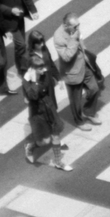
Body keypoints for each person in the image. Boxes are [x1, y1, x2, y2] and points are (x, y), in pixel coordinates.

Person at [21, 32, 70, 168]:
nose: (42, 45)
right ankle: (31, 146)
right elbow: (26, 80)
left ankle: (56, 143)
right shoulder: (27, 58)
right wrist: (27, 94)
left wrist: (58, 78)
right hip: (38, 98)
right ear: (33, 43)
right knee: (43, 139)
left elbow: (51, 65)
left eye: (43, 41)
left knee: (54, 121)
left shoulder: (44, 49)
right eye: (39, 43)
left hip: (48, 90)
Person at [52, 11, 102, 126]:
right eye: (75, 26)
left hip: (84, 66)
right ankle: (79, 121)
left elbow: (82, 44)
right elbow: (66, 57)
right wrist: (74, 40)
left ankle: (89, 112)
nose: (78, 28)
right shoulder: (59, 37)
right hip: (72, 72)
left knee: (94, 89)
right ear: (66, 26)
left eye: (78, 25)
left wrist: (86, 54)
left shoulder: (75, 30)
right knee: (76, 100)